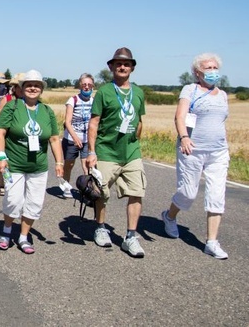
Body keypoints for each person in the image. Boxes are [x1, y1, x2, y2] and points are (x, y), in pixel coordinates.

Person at [161, 53, 230, 259]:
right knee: (188, 193)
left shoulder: (223, 94)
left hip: (218, 151)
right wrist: (183, 137)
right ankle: (169, 216)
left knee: (216, 195)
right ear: (197, 72)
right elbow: (180, 116)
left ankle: (211, 242)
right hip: (191, 149)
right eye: (208, 68)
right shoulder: (190, 90)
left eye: (215, 67)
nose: (212, 71)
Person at [85, 47, 147, 258]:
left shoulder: (138, 92)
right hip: (106, 151)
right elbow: (94, 123)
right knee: (101, 192)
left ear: (132, 68)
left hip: (131, 152)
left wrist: (135, 144)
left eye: (126, 64)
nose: (122, 67)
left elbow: (139, 122)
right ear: (111, 67)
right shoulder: (104, 92)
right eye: (118, 63)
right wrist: (91, 151)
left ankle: (130, 237)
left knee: (137, 192)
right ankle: (101, 228)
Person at [0, 70, 64, 254]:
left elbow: (55, 139)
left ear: (41, 89)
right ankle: (7, 230)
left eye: (37, 85)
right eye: (29, 85)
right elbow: (0, 132)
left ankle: (24, 237)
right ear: (21, 88)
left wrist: (59, 163)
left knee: (34, 203)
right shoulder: (13, 106)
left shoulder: (47, 111)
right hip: (13, 165)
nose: (33, 88)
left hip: (38, 167)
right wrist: (0, 156)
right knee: (13, 200)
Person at [59, 73, 95, 198]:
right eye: (84, 84)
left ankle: (87, 190)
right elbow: (67, 122)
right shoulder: (73, 100)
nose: (86, 87)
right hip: (71, 139)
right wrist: (75, 137)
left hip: (87, 139)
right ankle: (66, 187)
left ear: (92, 86)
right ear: (80, 85)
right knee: (69, 165)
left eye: (89, 85)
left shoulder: (94, 101)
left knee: (87, 166)